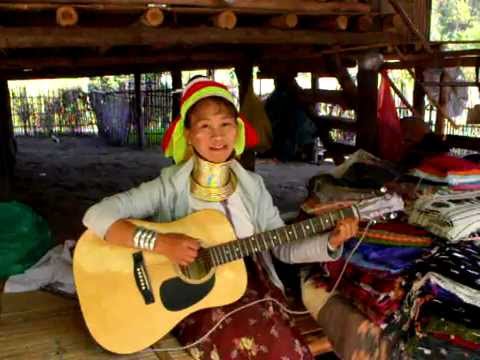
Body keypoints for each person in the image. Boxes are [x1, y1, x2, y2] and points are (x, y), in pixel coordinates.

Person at [83, 77, 358, 359]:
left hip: (256, 290)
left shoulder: (252, 186)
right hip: (196, 299)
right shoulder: (168, 186)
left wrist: (330, 242)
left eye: (225, 124)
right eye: (205, 126)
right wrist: (160, 243)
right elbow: (97, 215)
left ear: (237, 129)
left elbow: (282, 247)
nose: (217, 136)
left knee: (284, 347)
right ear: (188, 134)